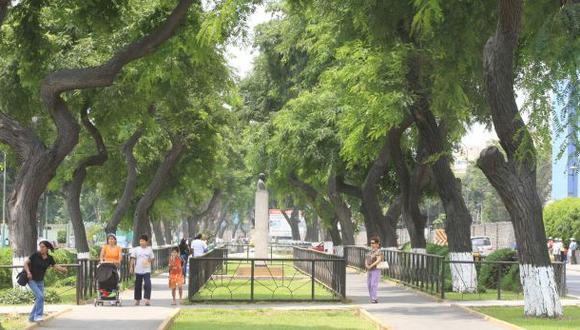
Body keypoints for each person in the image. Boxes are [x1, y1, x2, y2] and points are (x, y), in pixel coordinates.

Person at [23, 241, 67, 322]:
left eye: (43, 247)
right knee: (40, 297)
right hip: (31, 279)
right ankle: (38, 315)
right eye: (40, 247)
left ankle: (31, 317)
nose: (41, 248)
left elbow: (55, 266)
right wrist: (28, 272)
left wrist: (63, 270)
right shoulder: (35, 255)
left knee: (39, 298)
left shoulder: (49, 258)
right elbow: (25, 263)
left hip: (40, 281)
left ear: (47, 248)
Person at [130, 234, 155, 306]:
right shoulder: (136, 249)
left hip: (147, 270)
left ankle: (147, 300)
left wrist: (149, 261)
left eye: (143, 241)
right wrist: (131, 267)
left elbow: (153, 259)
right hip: (138, 270)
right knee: (137, 285)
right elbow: (132, 258)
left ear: (146, 242)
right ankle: (137, 300)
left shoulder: (149, 249)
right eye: (140, 241)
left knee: (147, 284)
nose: (141, 242)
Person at [365, 236, 383, 304]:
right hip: (369, 270)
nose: (371, 244)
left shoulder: (378, 251)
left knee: (373, 284)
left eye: (373, 243)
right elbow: (366, 259)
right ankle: (372, 297)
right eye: (371, 243)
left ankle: (374, 298)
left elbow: (378, 260)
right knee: (369, 284)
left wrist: (371, 266)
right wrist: (366, 265)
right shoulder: (370, 251)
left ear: (377, 244)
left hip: (376, 269)